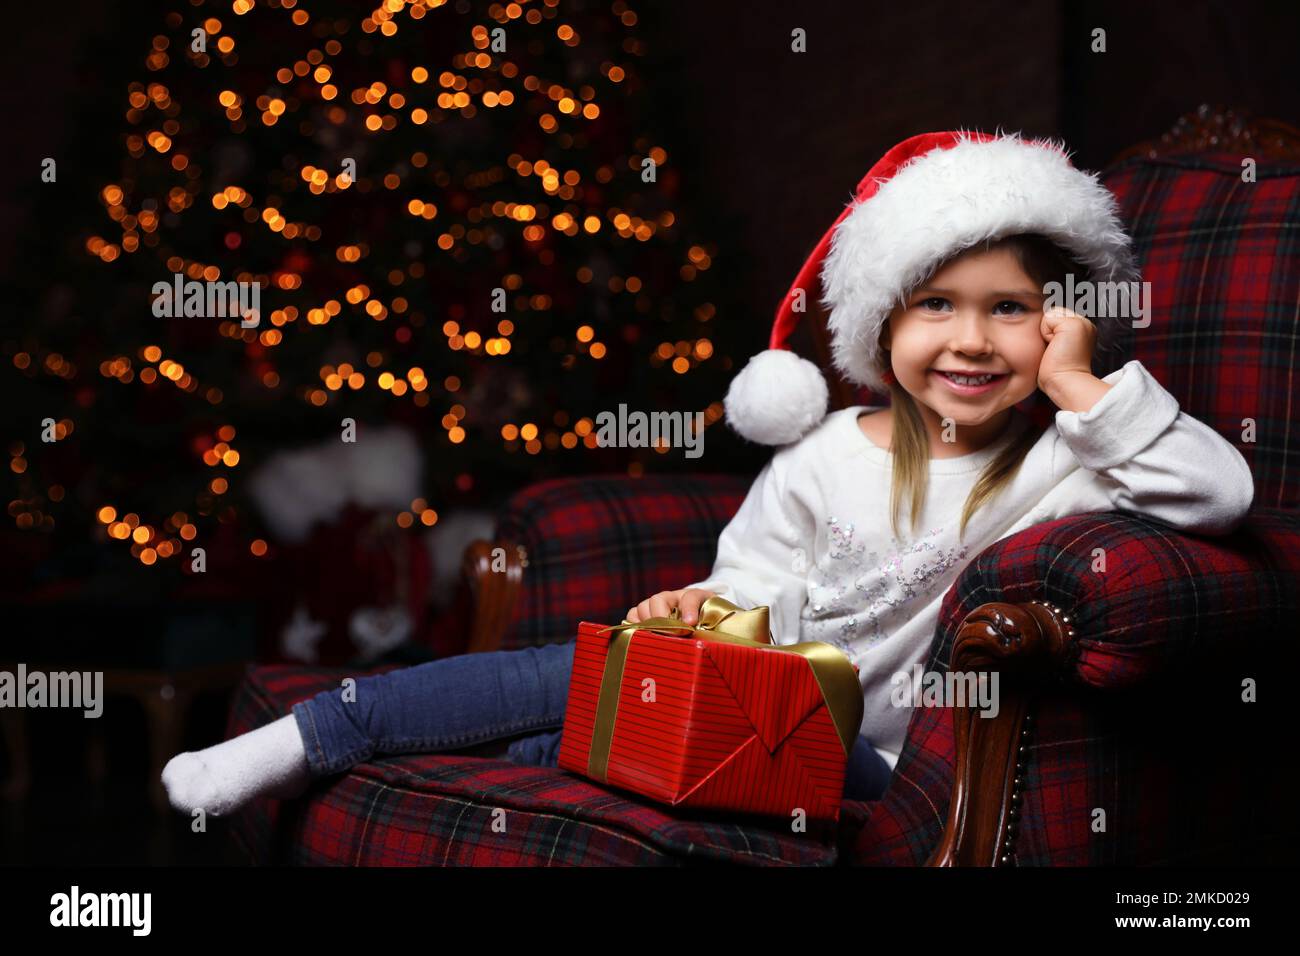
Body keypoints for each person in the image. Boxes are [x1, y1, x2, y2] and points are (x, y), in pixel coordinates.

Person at [161, 129, 1255, 819]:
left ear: (1057, 321)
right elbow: (749, 587)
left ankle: (550, 756)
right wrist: (703, 609)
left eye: (1007, 309)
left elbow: (1221, 495)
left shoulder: (1078, 455)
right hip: (740, 692)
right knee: (570, 673)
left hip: (861, 766)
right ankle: (314, 735)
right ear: (883, 326)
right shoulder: (827, 451)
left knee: (647, 746)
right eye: (936, 306)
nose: (969, 341)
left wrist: (1081, 387)